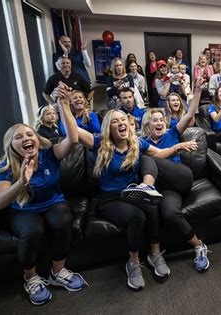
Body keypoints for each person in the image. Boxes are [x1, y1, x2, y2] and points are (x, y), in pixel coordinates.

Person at [77, 109, 196, 290]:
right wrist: (62, 104)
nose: (121, 123)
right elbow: (74, 132)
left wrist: (177, 147)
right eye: (115, 121)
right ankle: (133, 262)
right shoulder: (100, 143)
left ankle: (155, 253)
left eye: (123, 119)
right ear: (109, 127)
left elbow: (158, 155)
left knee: (152, 204)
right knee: (137, 217)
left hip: (132, 192)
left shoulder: (137, 143)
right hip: (110, 199)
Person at [0, 83, 86, 305]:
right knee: (32, 232)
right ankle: (31, 278)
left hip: (53, 202)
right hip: (23, 209)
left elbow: (72, 139)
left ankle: (57, 271)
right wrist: (21, 183)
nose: (26, 138)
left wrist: (63, 105)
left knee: (63, 221)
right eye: (18, 137)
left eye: (29, 134)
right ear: (11, 146)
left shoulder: (48, 154)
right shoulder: (6, 168)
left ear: (36, 138)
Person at [140, 79, 211, 273]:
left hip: (181, 179)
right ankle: (198, 245)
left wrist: (197, 91)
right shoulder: (142, 141)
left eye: (161, 120)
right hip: (163, 189)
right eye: (155, 120)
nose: (159, 123)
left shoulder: (172, 133)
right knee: (169, 213)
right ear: (147, 124)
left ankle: (146, 189)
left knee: (150, 159)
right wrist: (176, 149)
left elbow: (189, 115)